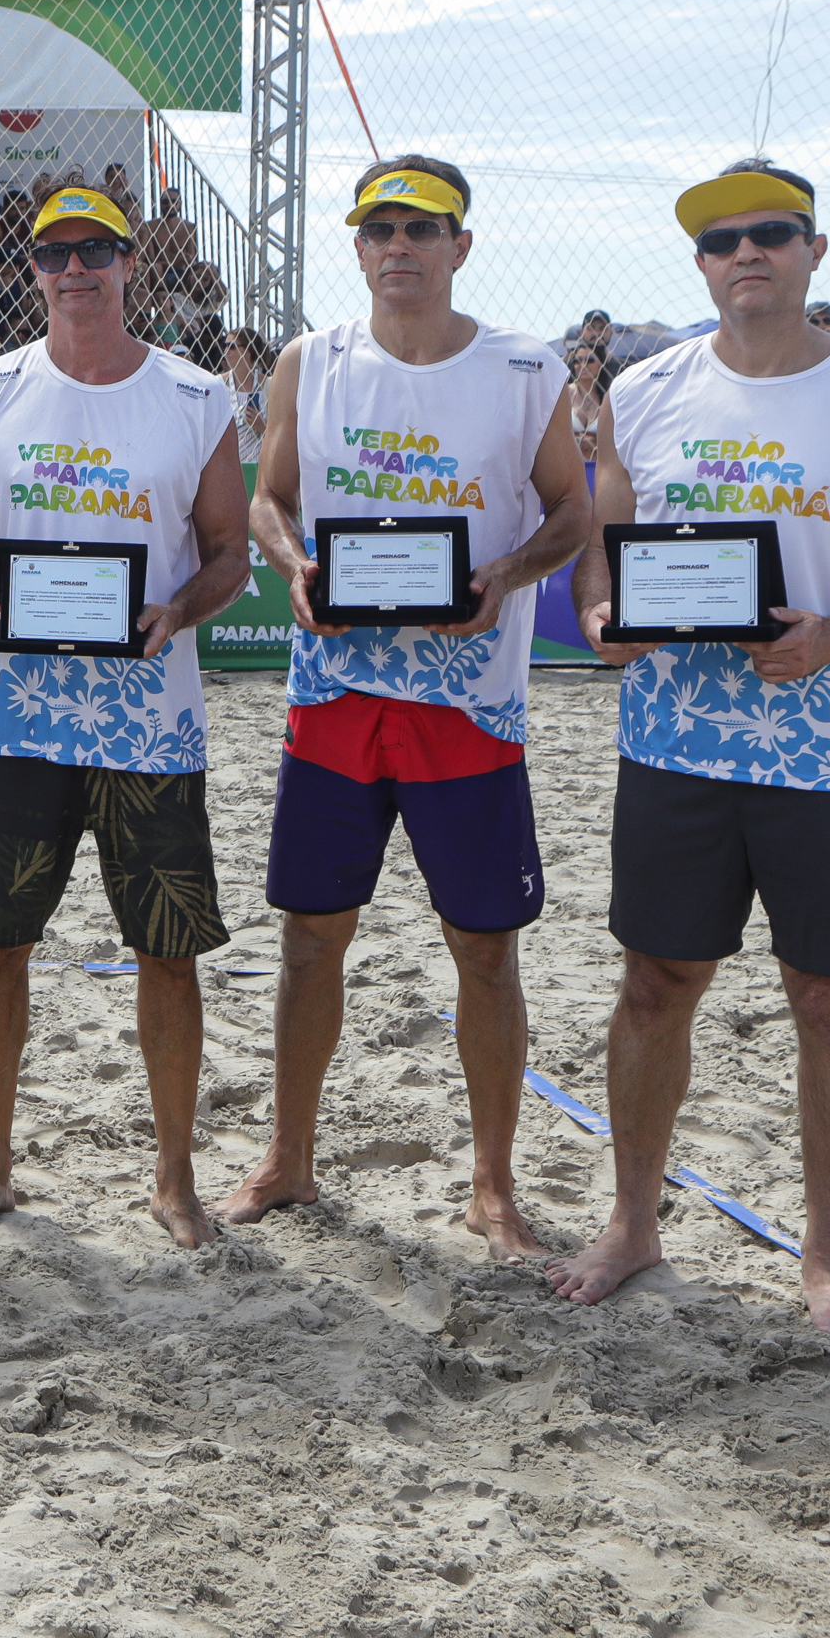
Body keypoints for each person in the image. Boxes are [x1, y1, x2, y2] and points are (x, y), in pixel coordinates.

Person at [549, 160, 830, 1342]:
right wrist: (600, 617)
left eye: (773, 234)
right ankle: (634, 1221)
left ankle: (828, 1257)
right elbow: (607, 543)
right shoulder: (643, 390)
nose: (748, 253)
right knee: (653, 982)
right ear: (699, 264)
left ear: (814, 251)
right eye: (724, 238)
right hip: (678, 740)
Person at [224, 156, 590, 1262]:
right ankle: (290, 1153)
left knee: (484, 947)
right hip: (335, 696)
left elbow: (572, 511)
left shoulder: (526, 369)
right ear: (358, 245)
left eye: (421, 227)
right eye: (379, 226)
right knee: (309, 940)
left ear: (460, 245)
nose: (399, 245)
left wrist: (507, 577)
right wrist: (291, 567)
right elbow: (269, 502)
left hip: (466, 704)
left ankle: (492, 1183)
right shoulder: (311, 361)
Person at [0, 187, 251, 1247]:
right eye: (55, 252)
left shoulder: (196, 396)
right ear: (33, 270)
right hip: (21, 718)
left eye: (96, 249)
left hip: (149, 721)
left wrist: (180, 609)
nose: (76, 267)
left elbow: (228, 553)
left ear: (130, 264)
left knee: (168, 951)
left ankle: (173, 1176)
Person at [136, 185, 201, 295]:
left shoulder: (189, 228)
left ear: (179, 204)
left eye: (174, 201)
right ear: (160, 204)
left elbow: (192, 258)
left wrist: (188, 260)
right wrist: (173, 263)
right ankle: (161, 300)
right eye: (165, 202)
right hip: (159, 273)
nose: (170, 205)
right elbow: (151, 260)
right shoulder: (151, 226)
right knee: (156, 268)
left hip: (182, 274)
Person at [224, 327, 273, 464]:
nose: (226, 351)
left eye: (232, 346)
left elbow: (281, 432)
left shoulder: (269, 385)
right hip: (230, 466)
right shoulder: (218, 384)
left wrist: (262, 427)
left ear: (248, 351)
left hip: (261, 466)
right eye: (225, 345)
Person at [566, 340, 613, 464]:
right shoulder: (564, 393)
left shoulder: (610, 396)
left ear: (600, 364)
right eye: (578, 360)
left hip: (601, 466)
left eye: (590, 360)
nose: (583, 365)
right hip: (571, 465)